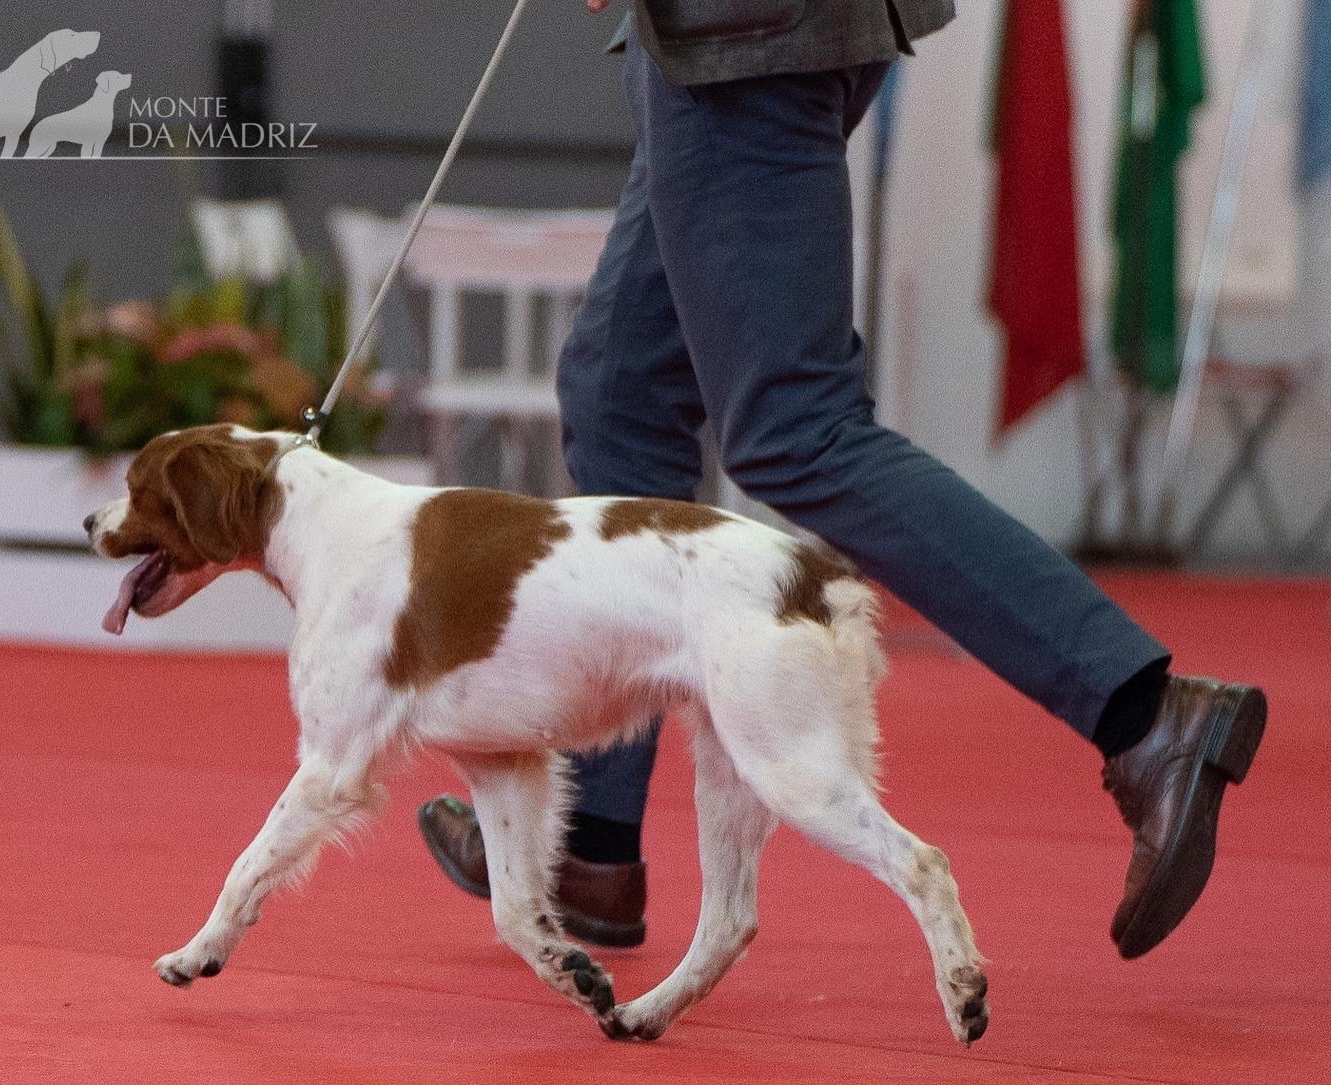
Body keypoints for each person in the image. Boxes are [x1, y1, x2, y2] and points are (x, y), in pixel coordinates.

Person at [417, 0, 1266, 960]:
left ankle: (1144, 714)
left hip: (744, 34)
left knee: (796, 427)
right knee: (622, 395)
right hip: (720, 38)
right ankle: (585, 843)